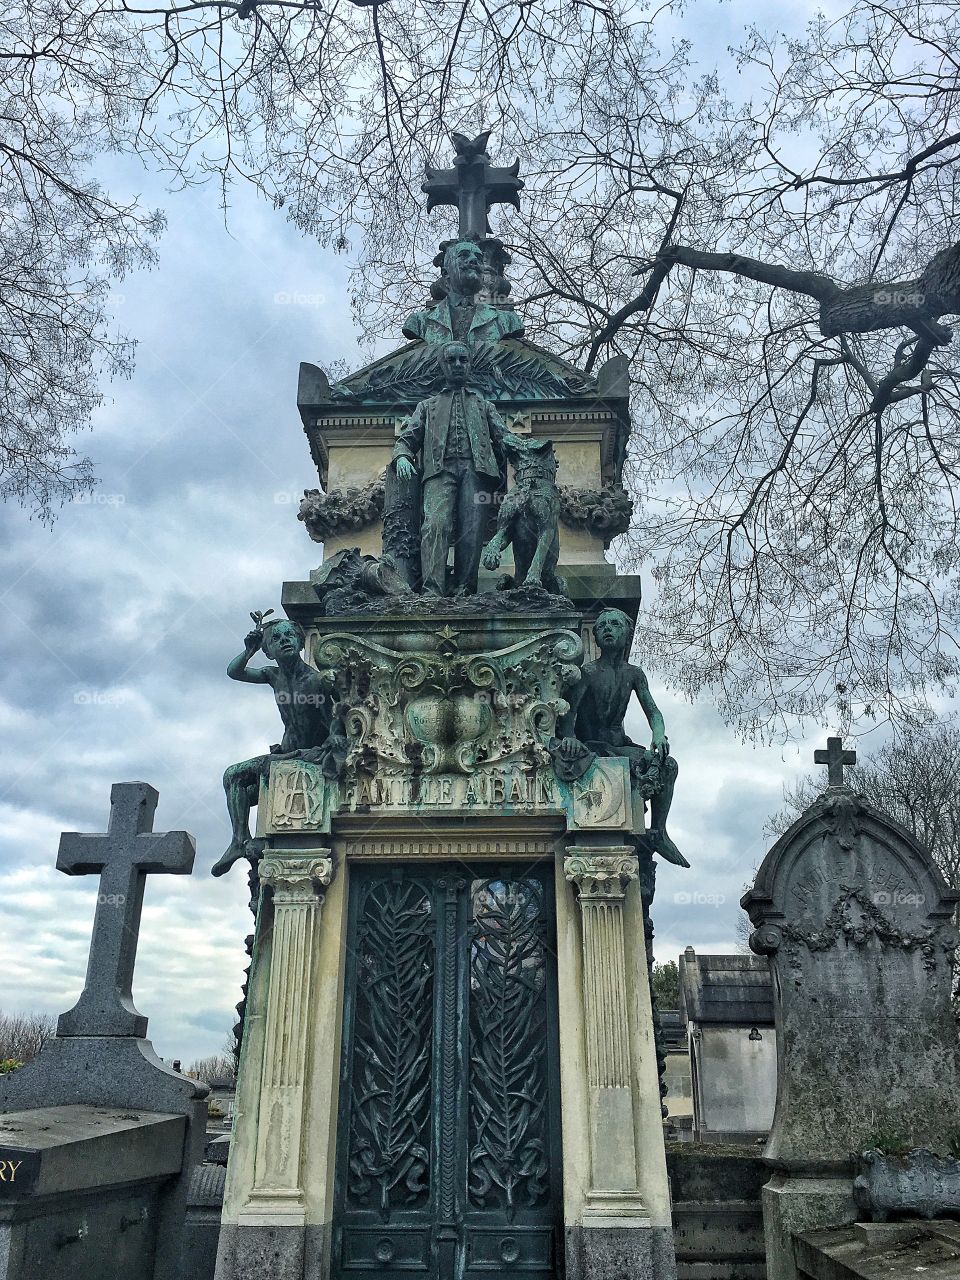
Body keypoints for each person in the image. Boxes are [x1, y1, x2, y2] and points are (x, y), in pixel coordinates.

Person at [212, 617, 344, 877]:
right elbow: (234, 672)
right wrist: (248, 651)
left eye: (289, 636)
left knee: (235, 776)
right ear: (268, 652)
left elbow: (333, 722)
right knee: (237, 783)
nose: (284, 641)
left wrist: (330, 745)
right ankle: (239, 840)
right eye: (276, 638)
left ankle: (240, 841)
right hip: (284, 754)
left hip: (309, 753)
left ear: (300, 642)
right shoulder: (273, 676)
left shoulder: (316, 681)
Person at [556, 608, 688, 867]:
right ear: (595, 636)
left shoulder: (634, 674)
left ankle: (659, 831)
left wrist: (659, 735)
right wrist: (570, 736)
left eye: (614, 624)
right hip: (593, 746)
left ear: (626, 634)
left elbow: (653, 711)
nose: (607, 628)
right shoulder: (587, 673)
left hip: (619, 745)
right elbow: (569, 712)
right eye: (602, 625)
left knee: (668, 765)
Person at [392, 342, 522, 596]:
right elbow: (407, 439)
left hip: (476, 471)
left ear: (470, 364)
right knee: (435, 525)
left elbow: (505, 437)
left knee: (471, 529)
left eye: (463, 360)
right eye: (451, 361)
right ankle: (432, 590)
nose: (458, 365)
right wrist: (402, 456)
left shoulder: (484, 405)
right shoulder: (427, 407)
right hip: (440, 472)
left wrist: (532, 452)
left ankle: (465, 587)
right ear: (443, 366)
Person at [402, 239, 524, 347]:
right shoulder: (419, 321)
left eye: (479, 258)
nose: (474, 260)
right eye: (464, 255)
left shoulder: (508, 321)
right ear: (446, 273)